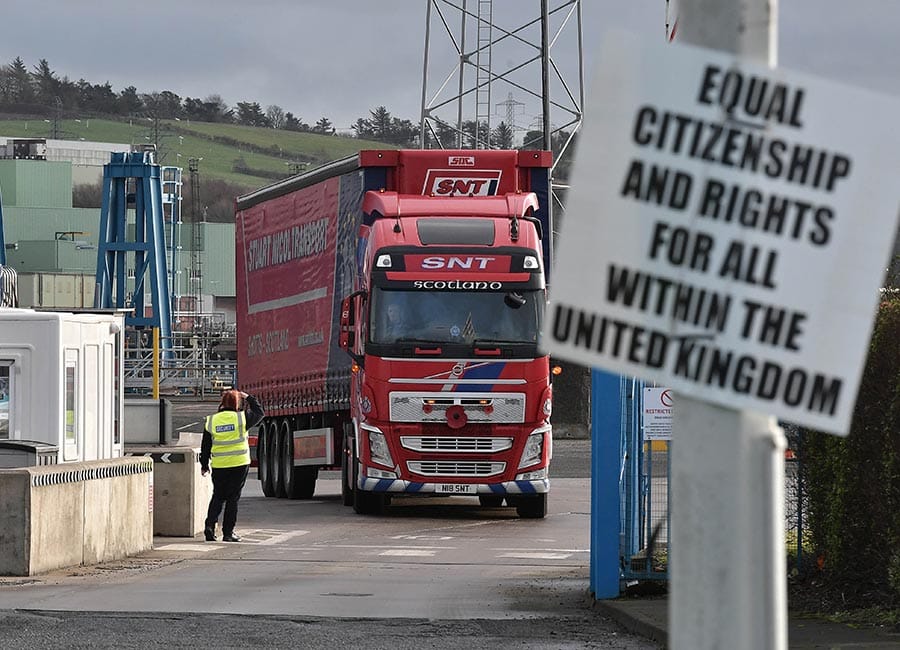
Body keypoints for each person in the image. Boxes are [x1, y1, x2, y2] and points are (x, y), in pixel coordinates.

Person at [200, 389, 265, 542]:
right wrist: (248, 397)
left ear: (222, 403)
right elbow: (260, 412)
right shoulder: (242, 419)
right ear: (238, 403)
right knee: (232, 499)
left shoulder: (211, 421)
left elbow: (205, 446)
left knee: (218, 496)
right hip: (239, 464)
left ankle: (210, 526)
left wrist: (204, 465)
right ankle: (228, 533)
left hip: (219, 464)